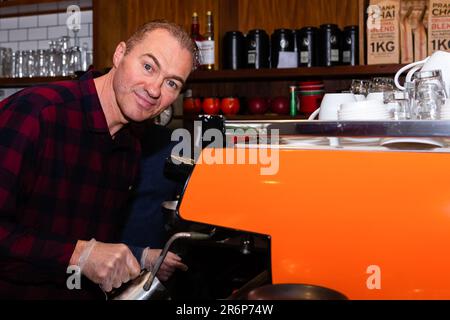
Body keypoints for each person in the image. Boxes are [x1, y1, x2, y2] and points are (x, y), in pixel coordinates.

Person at [0, 20, 197, 299]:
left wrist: (136, 257)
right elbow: (81, 253)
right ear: (119, 55)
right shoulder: (37, 113)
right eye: (148, 66)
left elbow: (93, 249)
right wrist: (78, 255)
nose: (155, 90)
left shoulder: (129, 149)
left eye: (171, 83)